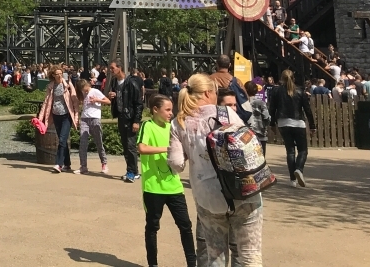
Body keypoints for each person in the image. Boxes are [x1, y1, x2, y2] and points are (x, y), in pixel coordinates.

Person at [168, 73, 263, 267]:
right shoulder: (225, 114)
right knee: (249, 255)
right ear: (207, 92)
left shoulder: (178, 123)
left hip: (207, 196)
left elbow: (176, 163)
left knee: (215, 257)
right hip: (243, 190)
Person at [138, 95, 196, 267]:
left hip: (174, 187)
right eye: (168, 110)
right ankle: (153, 264)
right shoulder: (147, 125)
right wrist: (168, 149)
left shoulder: (173, 128)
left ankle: (192, 264)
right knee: (153, 227)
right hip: (153, 187)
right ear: (155, 110)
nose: (171, 113)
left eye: (172, 109)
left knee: (185, 226)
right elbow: (142, 148)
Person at [268, 69, 315, 188]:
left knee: (290, 150)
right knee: (303, 150)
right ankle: (299, 169)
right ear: (293, 78)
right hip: (298, 122)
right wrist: (312, 126)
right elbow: (307, 109)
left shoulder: (276, 90)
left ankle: (292, 180)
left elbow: (272, 108)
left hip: (283, 122)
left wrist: (272, 124)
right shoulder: (300, 91)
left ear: (281, 79)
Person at [38, 67, 80, 173]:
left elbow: (75, 101)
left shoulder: (68, 85)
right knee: (63, 141)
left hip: (66, 115)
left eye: (61, 73)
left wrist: (76, 117)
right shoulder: (51, 86)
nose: (59, 75)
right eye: (57, 74)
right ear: (53, 75)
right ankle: (67, 164)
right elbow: (46, 102)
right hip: (56, 115)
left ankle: (58, 164)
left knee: (61, 140)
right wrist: (40, 118)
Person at [108, 60, 144, 182]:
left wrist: (136, 121)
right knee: (125, 145)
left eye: (112, 68)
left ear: (120, 68)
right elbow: (118, 98)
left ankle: (131, 172)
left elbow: (138, 103)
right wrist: (111, 97)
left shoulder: (131, 83)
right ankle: (134, 171)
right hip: (121, 117)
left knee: (130, 145)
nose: (111, 70)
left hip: (130, 118)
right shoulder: (114, 82)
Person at [77, 79, 110, 175]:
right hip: (84, 119)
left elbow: (108, 101)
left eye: (86, 89)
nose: (85, 92)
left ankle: (104, 163)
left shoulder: (95, 91)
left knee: (98, 142)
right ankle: (83, 166)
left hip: (95, 118)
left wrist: (97, 100)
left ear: (88, 85)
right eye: (83, 90)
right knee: (83, 143)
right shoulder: (82, 93)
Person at [244, 81, 271, 157]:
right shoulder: (261, 103)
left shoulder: (243, 104)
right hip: (260, 134)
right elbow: (266, 117)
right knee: (261, 158)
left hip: (246, 135)